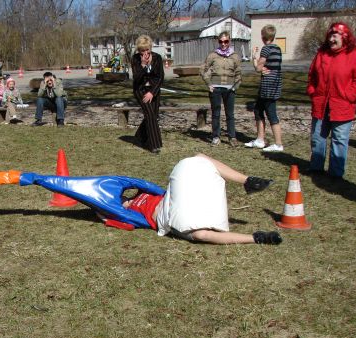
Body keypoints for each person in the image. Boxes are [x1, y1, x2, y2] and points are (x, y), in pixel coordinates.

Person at [19, 154, 281, 245]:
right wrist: (103, 214)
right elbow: (119, 221)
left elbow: (140, 184)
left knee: (198, 158)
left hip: (175, 198)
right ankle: (256, 238)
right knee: (201, 235)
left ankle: (248, 181)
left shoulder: (142, 194)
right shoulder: (128, 216)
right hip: (169, 219)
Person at [307, 22, 356, 178]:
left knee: (339, 139)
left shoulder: (355, 54)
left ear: (344, 37)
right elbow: (312, 75)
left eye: (334, 36)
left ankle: (335, 174)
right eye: (330, 35)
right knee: (317, 137)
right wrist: (313, 91)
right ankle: (316, 168)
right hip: (321, 104)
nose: (331, 39)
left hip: (342, 105)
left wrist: (349, 95)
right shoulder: (322, 53)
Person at [245, 25, 284, 152]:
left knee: (271, 114)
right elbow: (270, 67)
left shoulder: (266, 49)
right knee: (258, 110)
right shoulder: (277, 49)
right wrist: (263, 69)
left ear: (263, 36)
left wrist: (254, 58)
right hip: (275, 85)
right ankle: (260, 140)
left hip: (268, 86)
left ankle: (278, 144)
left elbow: (258, 68)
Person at [200, 31, 242, 147]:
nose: (223, 44)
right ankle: (216, 137)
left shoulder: (235, 56)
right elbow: (203, 69)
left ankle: (232, 137)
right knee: (216, 114)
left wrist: (235, 86)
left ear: (229, 41)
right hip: (216, 89)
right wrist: (209, 83)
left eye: (226, 41)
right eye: (221, 41)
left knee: (230, 114)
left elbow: (238, 73)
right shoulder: (212, 55)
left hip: (230, 89)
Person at [131, 35, 164, 153]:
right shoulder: (135, 59)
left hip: (154, 90)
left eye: (147, 50)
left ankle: (140, 137)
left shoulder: (157, 58)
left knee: (154, 115)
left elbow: (160, 77)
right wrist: (143, 65)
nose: (145, 53)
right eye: (142, 50)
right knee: (150, 115)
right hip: (140, 90)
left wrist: (152, 92)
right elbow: (136, 78)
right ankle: (154, 145)